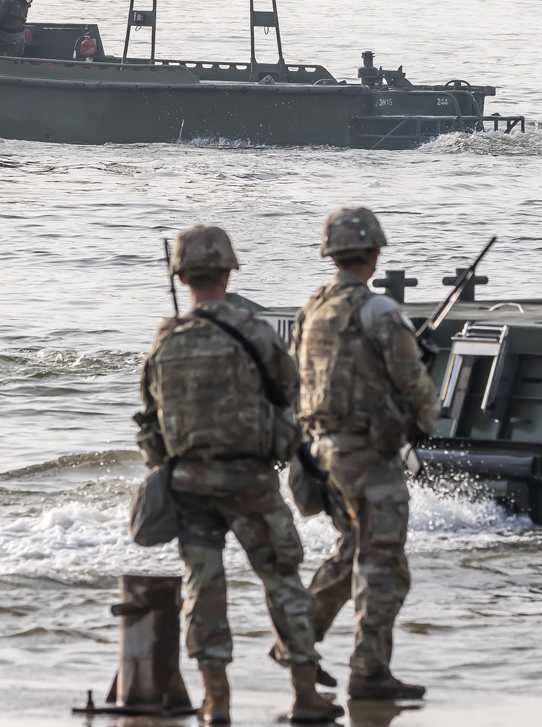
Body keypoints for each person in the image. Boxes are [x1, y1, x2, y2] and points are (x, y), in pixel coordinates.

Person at [134, 225, 340, 726]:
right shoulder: (255, 331)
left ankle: (216, 702)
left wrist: (166, 465)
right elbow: (291, 392)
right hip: (251, 482)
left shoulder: (166, 339)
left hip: (189, 485)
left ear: (181, 277)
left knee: (202, 589)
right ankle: (305, 695)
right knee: (283, 581)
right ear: (229, 272)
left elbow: (149, 419)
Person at [293, 207, 438, 703]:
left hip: (322, 452)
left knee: (354, 548)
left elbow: (298, 380)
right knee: (385, 566)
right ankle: (370, 671)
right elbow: (414, 383)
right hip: (368, 457)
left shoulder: (312, 308)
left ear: (331, 254)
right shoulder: (380, 312)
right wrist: (424, 422)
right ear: (374, 254)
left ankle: (296, 639)